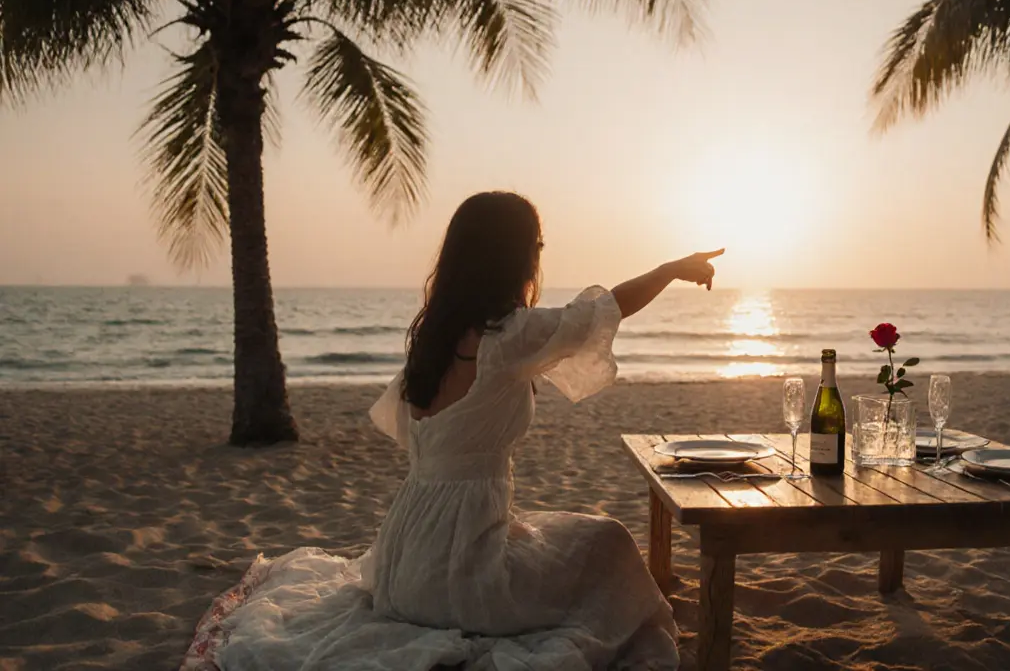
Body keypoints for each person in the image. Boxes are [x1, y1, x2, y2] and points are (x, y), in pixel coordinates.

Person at [187, 191, 723, 671]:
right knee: (608, 540)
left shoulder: (434, 335)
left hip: (397, 568)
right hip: (463, 580)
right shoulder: (506, 337)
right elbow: (605, 309)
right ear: (512, 255)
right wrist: (672, 267)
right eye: (535, 244)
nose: (539, 254)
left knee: (558, 535)